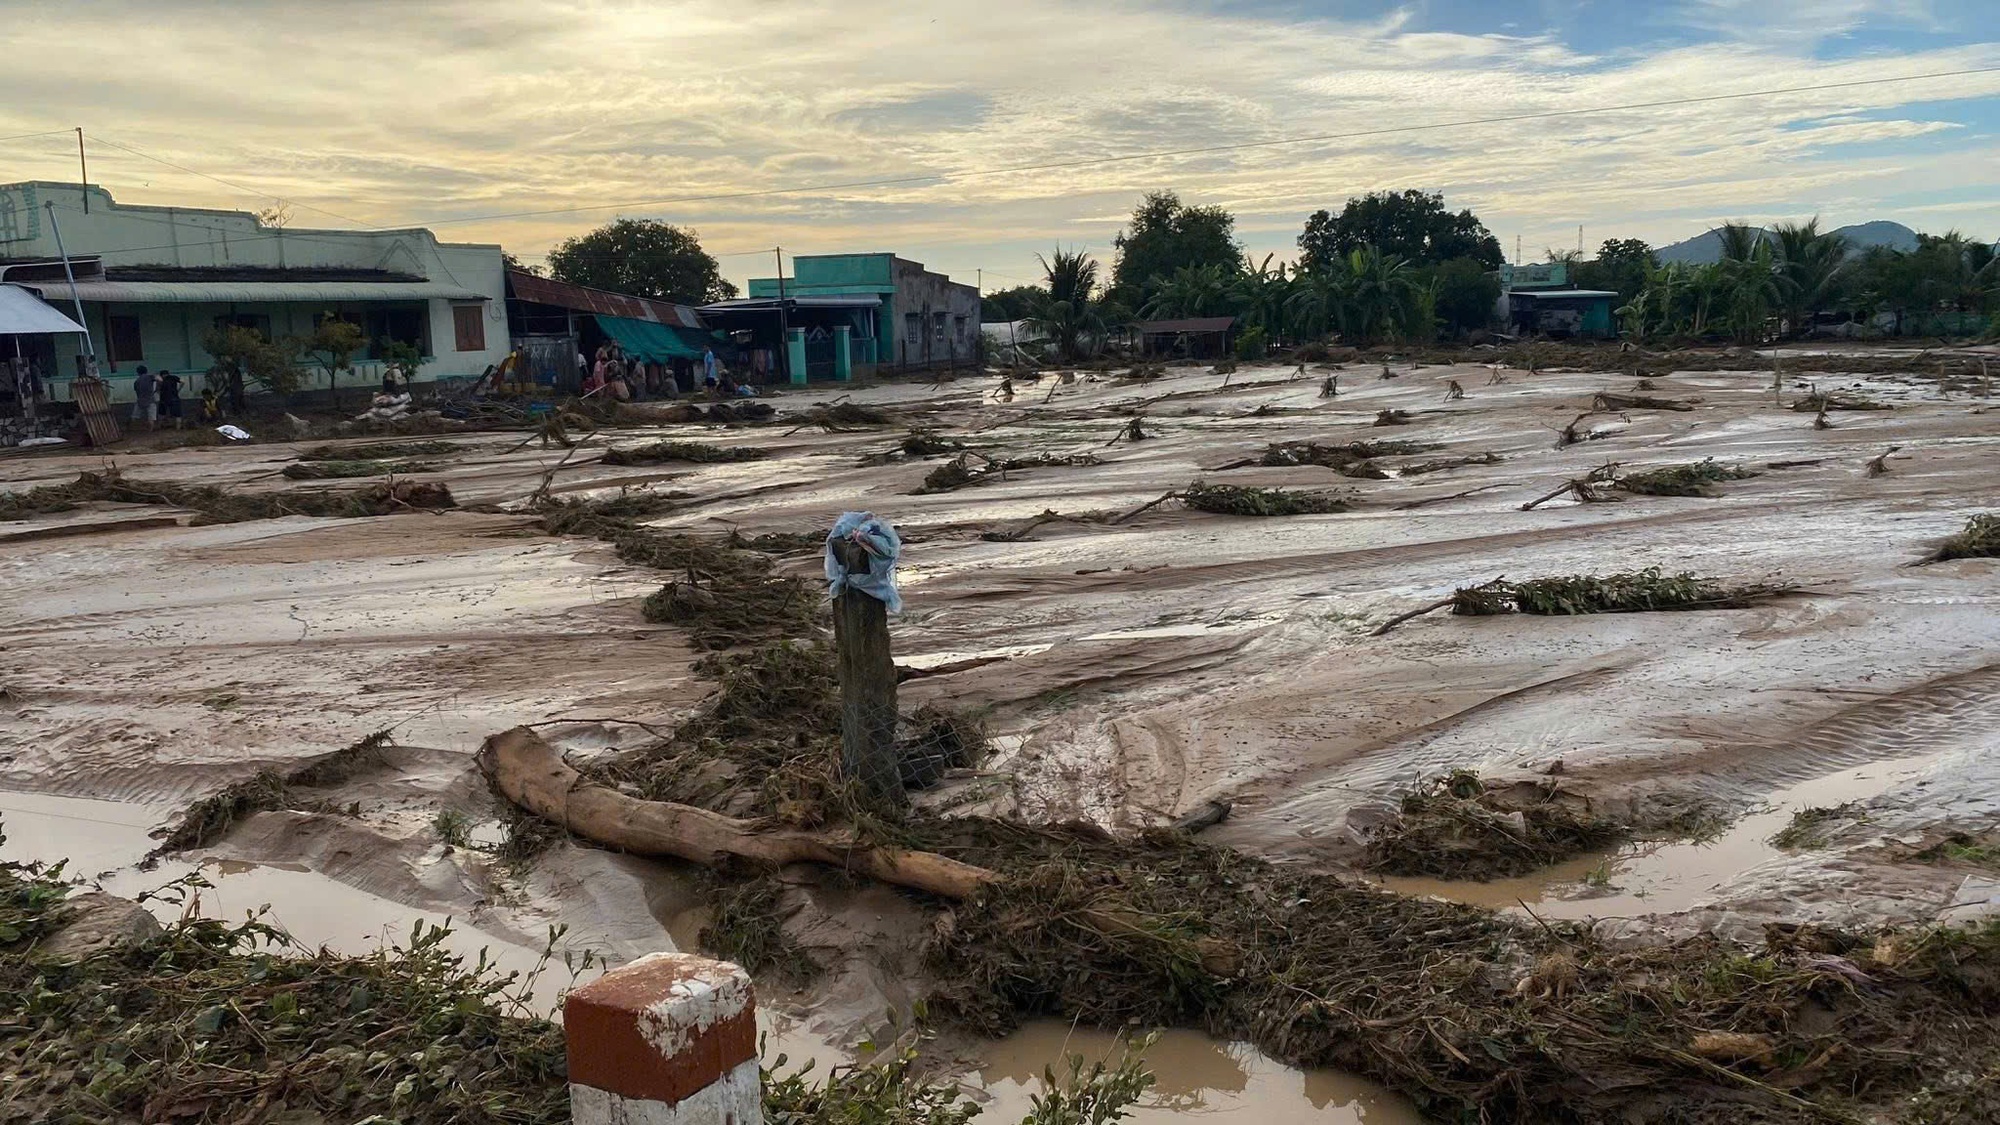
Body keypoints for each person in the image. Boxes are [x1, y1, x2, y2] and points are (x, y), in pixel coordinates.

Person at [131, 365, 157, 430]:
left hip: (140, 400)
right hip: (150, 400)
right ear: (146, 371)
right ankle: (150, 431)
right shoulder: (149, 377)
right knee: (151, 418)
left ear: (138, 372)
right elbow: (159, 379)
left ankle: (133, 429)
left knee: (134, 416)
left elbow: (137, 392)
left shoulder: (137, 381)